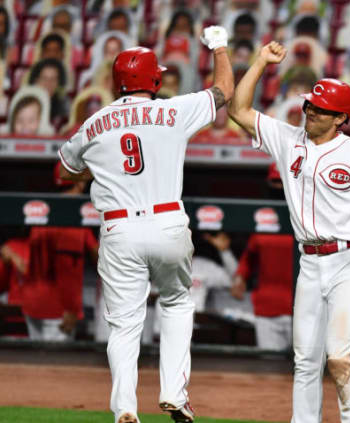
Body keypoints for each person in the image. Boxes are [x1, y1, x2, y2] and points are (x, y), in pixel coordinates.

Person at [227, 41, 350, 423]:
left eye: (319, 109)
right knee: (305, 362)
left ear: (340, 118)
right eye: (309, 105)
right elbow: (238, 109)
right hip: (310, 262)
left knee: (340, 358)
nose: (309, 111)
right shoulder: (288, 138)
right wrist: (262, 61)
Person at [56, 26, 233, 423]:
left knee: (124, 325)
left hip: (119, 229)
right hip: (168, 222)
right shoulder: (174, 110)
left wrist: (98, 173)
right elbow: (224, 91)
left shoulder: (95, 121)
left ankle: (125, 408)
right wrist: (219, 47)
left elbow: (62, 171)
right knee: (176, 303)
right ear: (155, 78)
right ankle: (174, 392)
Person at [22, 163, 98, 342]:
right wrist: (71, 308)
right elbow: (68, 269)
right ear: (79, 184)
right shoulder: (71, 217)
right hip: (57, 310)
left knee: (32, 365)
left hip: (32, 303)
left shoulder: (44, 211)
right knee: (53, 365)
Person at [231, 164, 296, 351]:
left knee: (305, 369)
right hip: (267, 307)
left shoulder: (307, 216)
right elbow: (248, 257)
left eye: (282, 183)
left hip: (302, 308)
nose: (278, 187)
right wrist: (240, 277)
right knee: (269, 368)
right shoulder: (263, 219)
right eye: (275, 182)